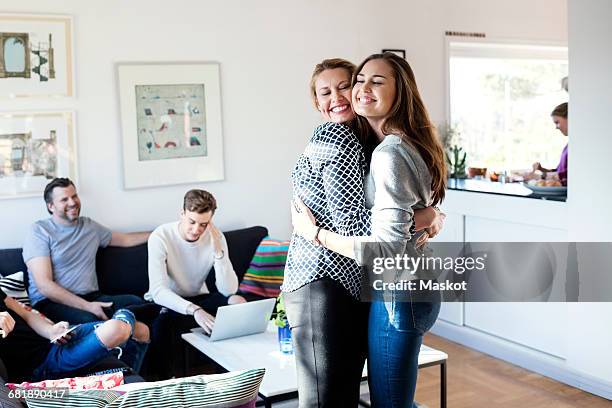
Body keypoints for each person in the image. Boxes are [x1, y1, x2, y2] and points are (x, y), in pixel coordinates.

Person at [283, 58, 445, 407]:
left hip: (381, 284)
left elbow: (383, 233)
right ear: (316, 102)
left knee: (373, 400)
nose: (341, 96)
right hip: (324, 282)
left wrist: (424, 216)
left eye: (345, 85)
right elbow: (360, 228)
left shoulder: (379, 145)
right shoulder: (339, 137)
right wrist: (421, 217)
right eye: (325, 92)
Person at [23, 178, 151, 325]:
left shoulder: (89, 227)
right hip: (51, 303)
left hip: (92, 297)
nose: (72, 202)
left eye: (74, 196)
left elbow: (125, 240)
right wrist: (88, 307)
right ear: (51, 206)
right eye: (64, 199)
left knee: (138, 304)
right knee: (89, 321)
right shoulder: (39, 231)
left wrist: (160, 232)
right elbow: (44, 285)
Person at [145, 189, 245, 334]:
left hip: (199, 296)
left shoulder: (216, 237)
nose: (196, 229)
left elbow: (228, 290)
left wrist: (219, 253)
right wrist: (196, 310)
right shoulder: (161, 236)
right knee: (165, 324)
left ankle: (232, 354)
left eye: (203, 224)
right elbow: (158, 291)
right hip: (168, 300)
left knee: (237, 301)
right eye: (192, 222)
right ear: (182, 214)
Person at [0, 288, 146, 382]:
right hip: (41, 366)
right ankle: (128, 311)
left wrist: (50, 331)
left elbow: (26, 315)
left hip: (53, 341)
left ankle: (130, 380)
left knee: (142, 331)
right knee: (117, 328)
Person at [532, 102, 568, 185]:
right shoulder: (568, 146)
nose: (556, 127)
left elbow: (567, 176)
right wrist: (542, 170)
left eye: (557, 122)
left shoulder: (578, 146)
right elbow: (559, 172)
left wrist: (540, 176)